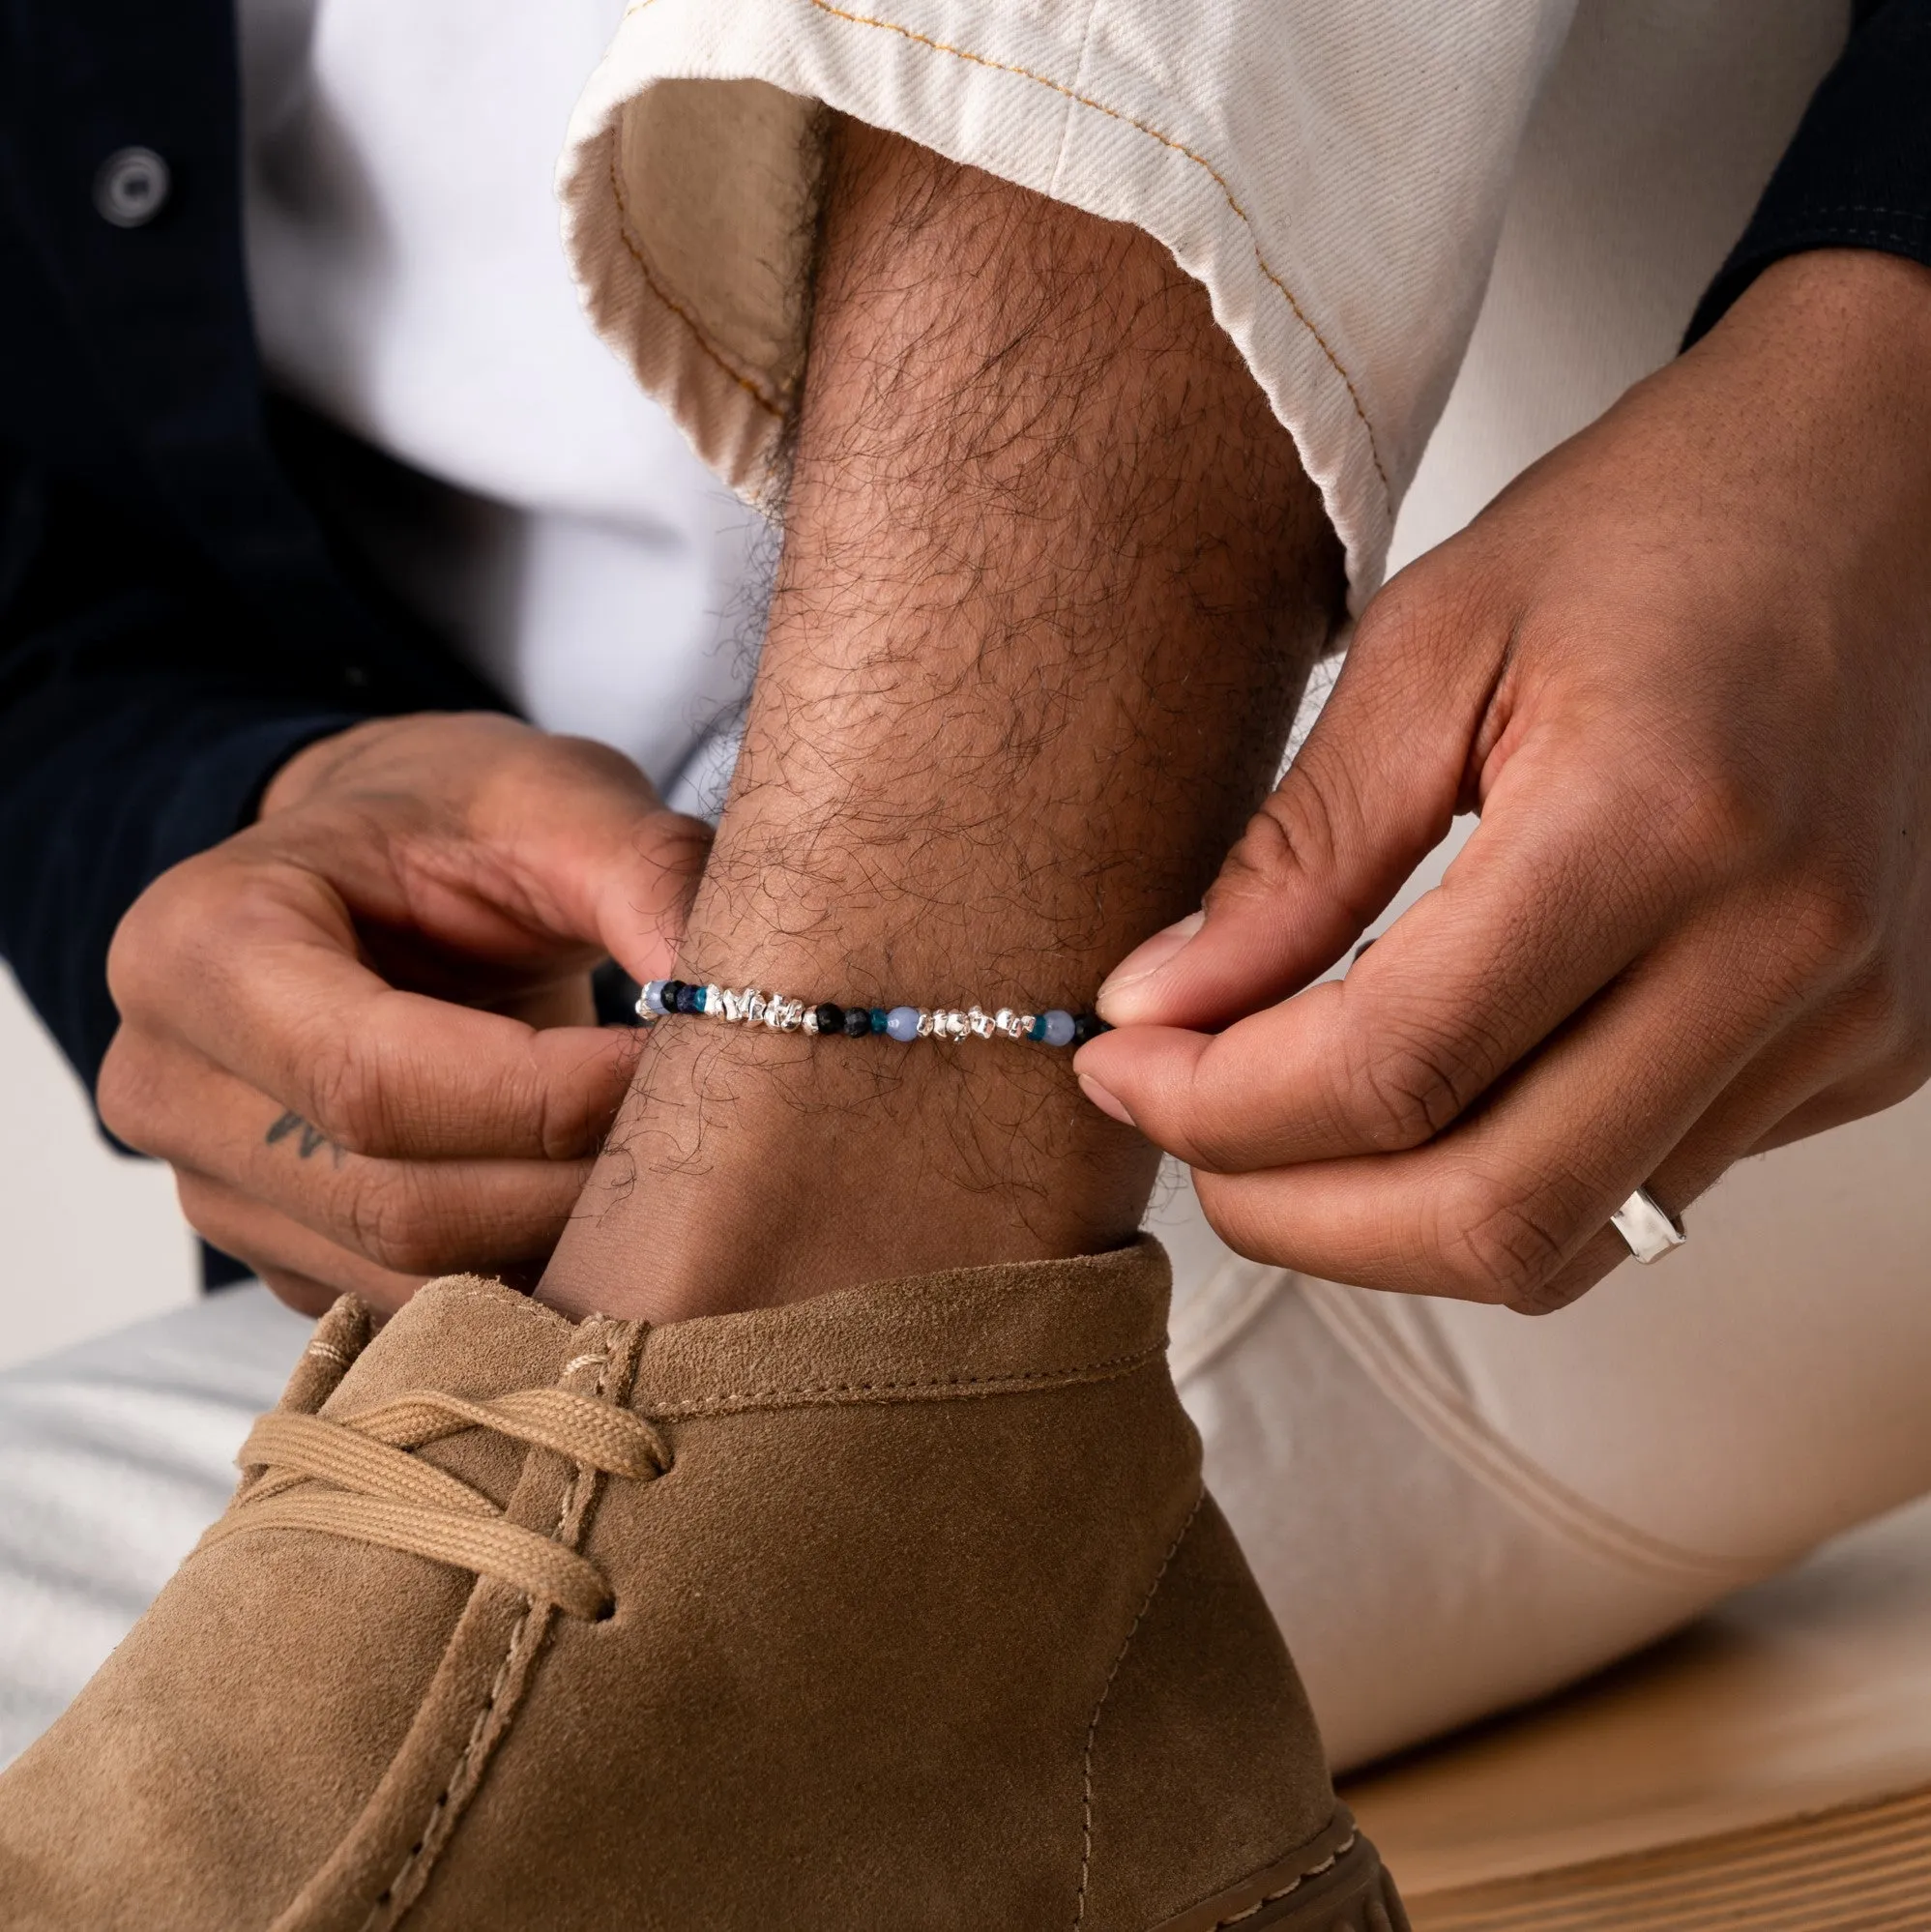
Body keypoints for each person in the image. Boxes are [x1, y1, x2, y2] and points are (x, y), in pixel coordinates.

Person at [0, 0, 1928, 1917]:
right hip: (609, 1236)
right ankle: (845, 1461)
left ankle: (809, 1287)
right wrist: (235, 813)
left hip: (1657, 708)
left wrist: (1890, 375)